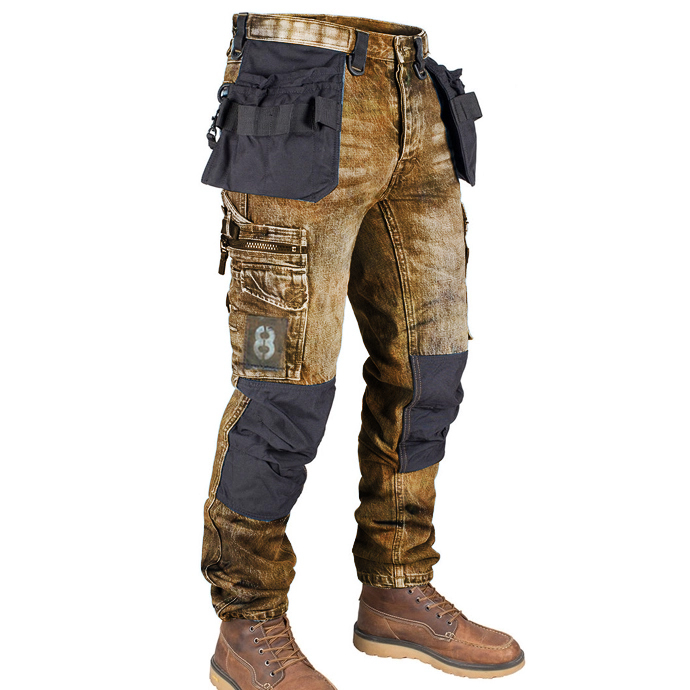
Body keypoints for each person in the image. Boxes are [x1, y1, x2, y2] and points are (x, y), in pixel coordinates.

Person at [200, 12, 524, 690]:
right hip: (296, 85)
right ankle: (248, 625)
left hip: (418, 87)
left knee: (428, 371)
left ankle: (396, 588)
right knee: (284, 389)